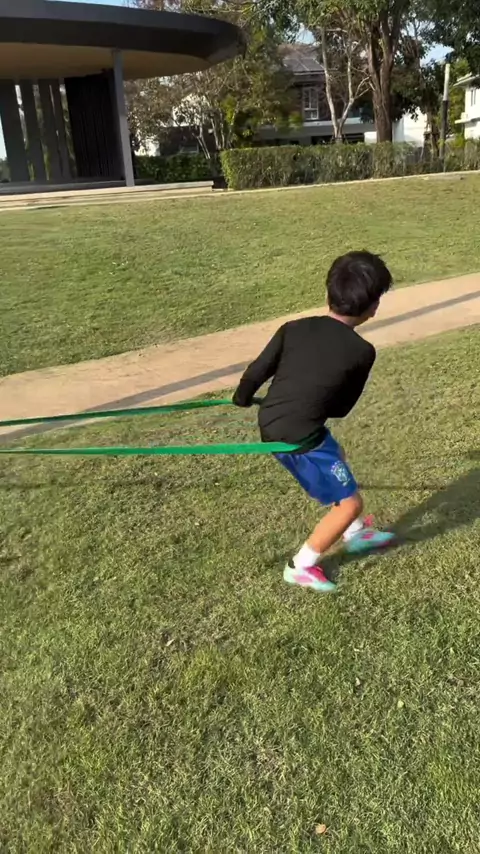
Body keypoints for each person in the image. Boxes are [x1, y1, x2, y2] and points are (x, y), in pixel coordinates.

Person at [233, 250, 395, 592]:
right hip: (300, 434)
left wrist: (243, 396)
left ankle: (354, 533)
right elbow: (341, 409)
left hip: (273, 422)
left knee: (336, 453)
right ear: (373, 306)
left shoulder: (293, 328)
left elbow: (257, 371)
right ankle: (300, 566)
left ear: (328, 293)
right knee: (350, 503)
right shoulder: (362, 351)